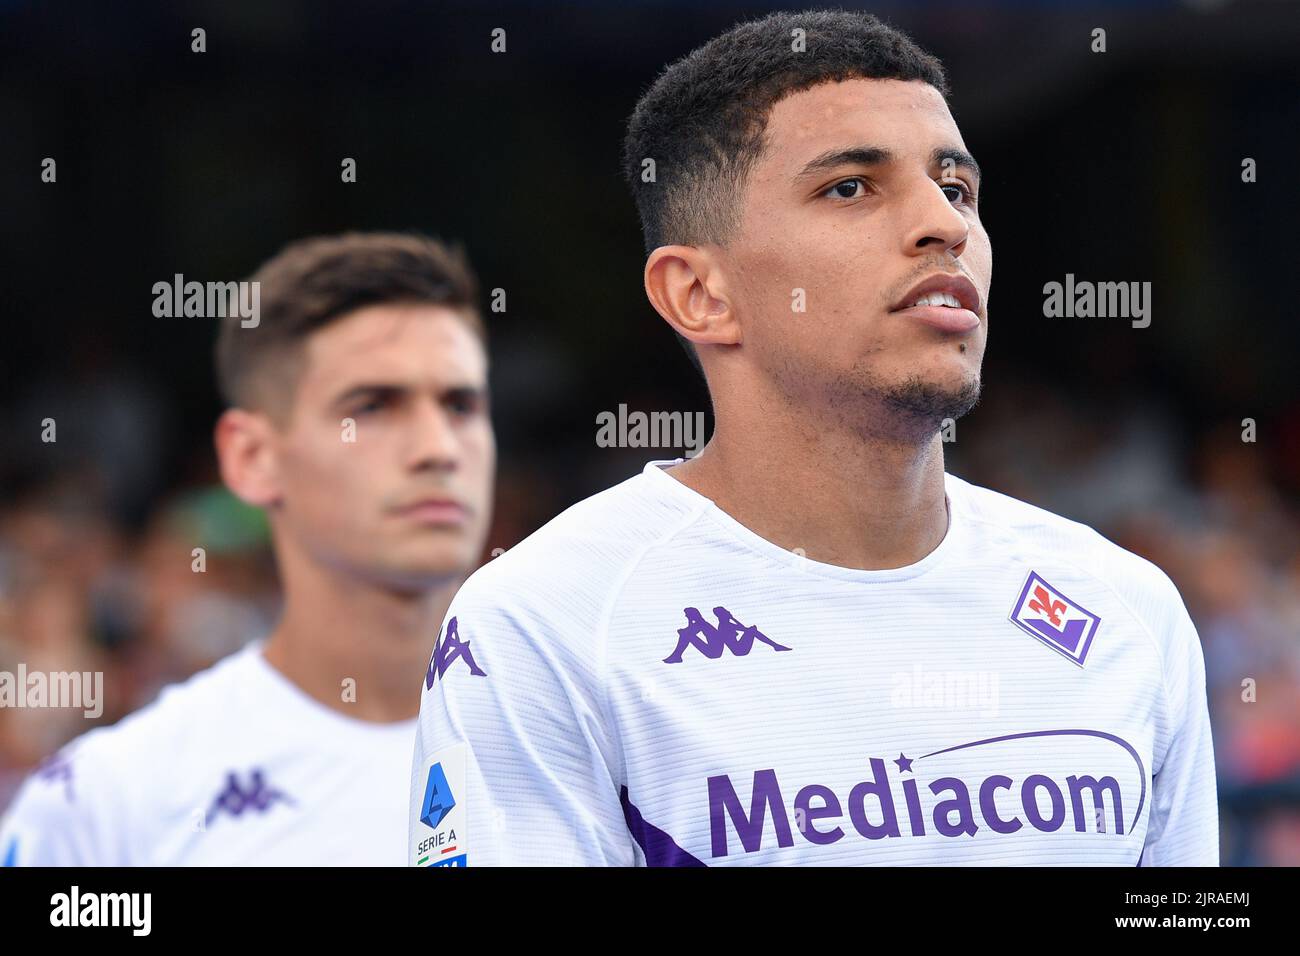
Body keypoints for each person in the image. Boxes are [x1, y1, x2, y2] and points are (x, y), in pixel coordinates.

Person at [408, 10, 1219, 867]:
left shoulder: (1129, 609)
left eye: (957, 189)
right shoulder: (546, 623)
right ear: (698, 294)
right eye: (850, 188)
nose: (942, 225)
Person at [2, 232, 495, 865]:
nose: (438, 446)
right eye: (372, 406)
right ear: (252, 456)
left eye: (461, 404)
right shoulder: (107, 805)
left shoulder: (612, 737)